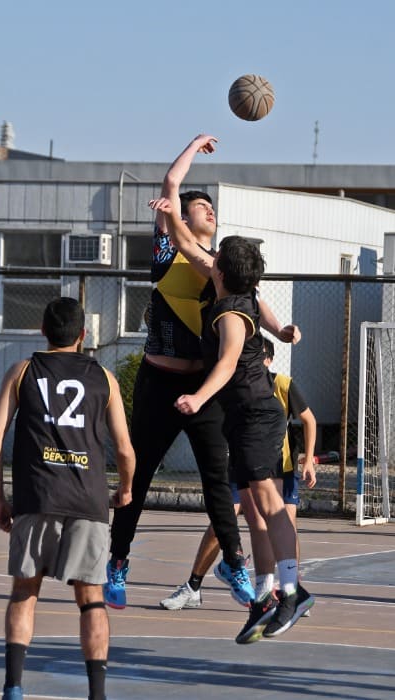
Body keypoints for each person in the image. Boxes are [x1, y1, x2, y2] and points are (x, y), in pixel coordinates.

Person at [104, 134, 300, 611]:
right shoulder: (171, 252)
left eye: (212, 207)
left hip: (202, 387)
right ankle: (117, 562)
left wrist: (283, 327)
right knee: (141, 474)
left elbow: (257, 300)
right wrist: (195, 144)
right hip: (158, 382)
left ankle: (233, 562)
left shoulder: (221, 271)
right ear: (179, 217)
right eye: (199, 206)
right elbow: (171, 183)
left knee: (219, 480)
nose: (207, 210)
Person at [150, 191, 315, 640]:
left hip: (257, 415)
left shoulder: (228, 313)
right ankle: (264, 595)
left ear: (219, 269)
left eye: (216, 255)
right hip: (241, 419)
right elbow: (186, 245)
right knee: (255, 512)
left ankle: (292, 589)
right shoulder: (231, 288)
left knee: (268, 503)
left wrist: (199, 397)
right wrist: (171, 210)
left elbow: (224, 366)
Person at [0, 297, 135, 700]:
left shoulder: (23, 371)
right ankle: (97, 693)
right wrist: (125, 488)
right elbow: (123, 448)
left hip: (38, 495)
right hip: (88, 499)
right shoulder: (104, 377)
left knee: (24, 592)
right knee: (91, 599)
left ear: (43, 331)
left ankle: (14, 687)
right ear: (84, 334)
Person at [160, 338, 317, 620]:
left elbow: (309, 420)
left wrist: (309, 460)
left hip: (278, 466)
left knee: (279, 523)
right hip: (244, 462)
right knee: (224, 523)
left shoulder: (280, 384)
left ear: (266, 360)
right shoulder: (231, 384)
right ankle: (196, 584)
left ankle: (288, 590)